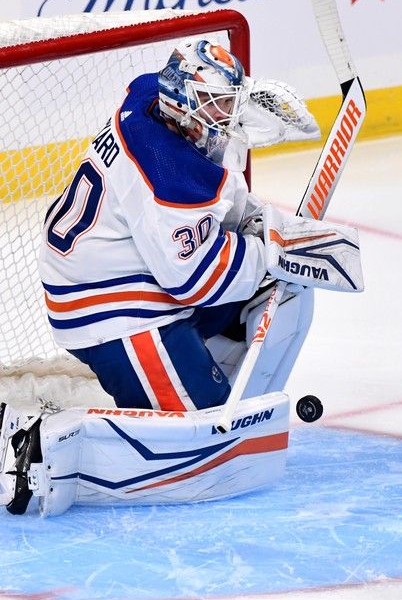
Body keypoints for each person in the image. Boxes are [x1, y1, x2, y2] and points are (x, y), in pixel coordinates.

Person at [0, 38, 363, 516]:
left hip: (122, 268)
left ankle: (194, 366)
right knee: (204, 433)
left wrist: (252, 220)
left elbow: (210, 186)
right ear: (185, 107)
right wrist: (270, 252)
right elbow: (196, 280)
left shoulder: (151, 97)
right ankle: (34, 438)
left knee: (258, 298)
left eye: (228, 101)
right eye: (217, 104)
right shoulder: (167, 174)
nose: (227, 114)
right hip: (114, 312)